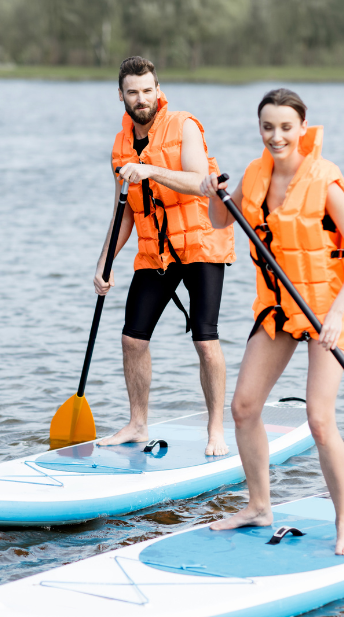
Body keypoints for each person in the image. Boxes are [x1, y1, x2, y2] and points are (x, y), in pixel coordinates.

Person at [199, 88, 344, 555]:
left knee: (318, 419)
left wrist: (337, 314)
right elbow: (220, 220)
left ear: (302, 128)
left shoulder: (325, 181)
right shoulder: (255, 175)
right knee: (243, 407)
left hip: (326, 311)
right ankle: (259, 506)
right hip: (279, 310)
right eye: (267, 127)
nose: (276, 136)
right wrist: (213, 192)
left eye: (285, 127)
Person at [94, 56, 236, 456]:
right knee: (131, 338)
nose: (142, 99)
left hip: (201, 244)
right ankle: (138, 424)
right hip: (156, 251)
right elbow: (124, 211)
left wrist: (150, 169)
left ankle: (216, 431)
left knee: (205, 340)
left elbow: (198, 183)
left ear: (158, 89)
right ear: (120, 95)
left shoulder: (184, 125)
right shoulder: (120, 147)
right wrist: (104, 263)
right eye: (132, 92)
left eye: (148, 90)